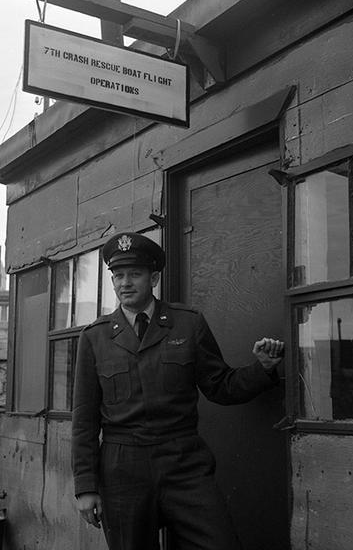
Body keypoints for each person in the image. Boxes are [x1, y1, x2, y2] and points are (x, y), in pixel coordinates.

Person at [72, 231, 284, 550]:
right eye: (118, 276)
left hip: (183, 461)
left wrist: (262, 368)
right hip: (122, 468)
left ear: (154, 277)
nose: (124, 283)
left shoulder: (188, 324)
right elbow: (85, 420)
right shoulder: (95, 337)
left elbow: (220, 386)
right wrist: (86, 487)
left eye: (134, 274)